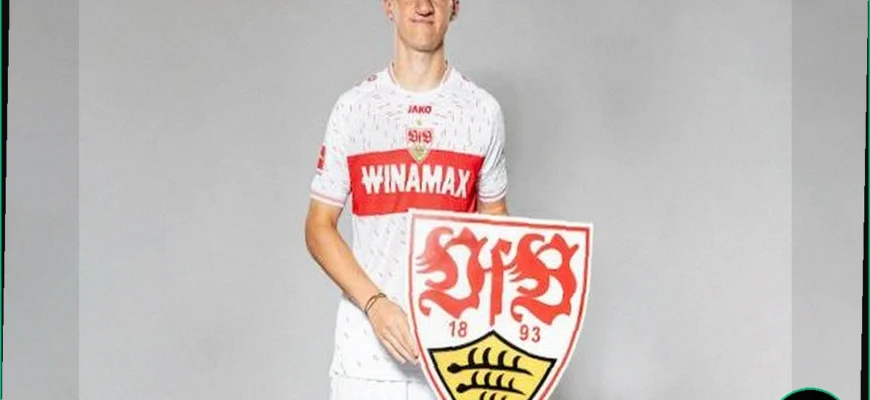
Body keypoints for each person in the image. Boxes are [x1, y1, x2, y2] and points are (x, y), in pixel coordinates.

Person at [304, 0, 509, 398]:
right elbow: (317, 226)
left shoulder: (482, 112)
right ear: (388, 5)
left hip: (454, 364)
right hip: (365, 364)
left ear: (455, 6)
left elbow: (497, 227)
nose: (423, 6)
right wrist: (375, 304)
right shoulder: (354, 109)